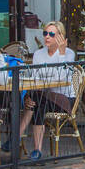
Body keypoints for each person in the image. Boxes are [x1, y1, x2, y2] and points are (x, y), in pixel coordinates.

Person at [18, 20, 77, 161]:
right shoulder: (38, 54)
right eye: (45, 33)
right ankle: (37, 150)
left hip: (64, 98)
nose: (47, 37)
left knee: (37, 101)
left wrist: (61, 54)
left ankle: (17, 137)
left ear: (60, 37)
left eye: (51, 34)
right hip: (44, 97)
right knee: (37, 102)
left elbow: (61, 77)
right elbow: (35, 79)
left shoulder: (68, 54)